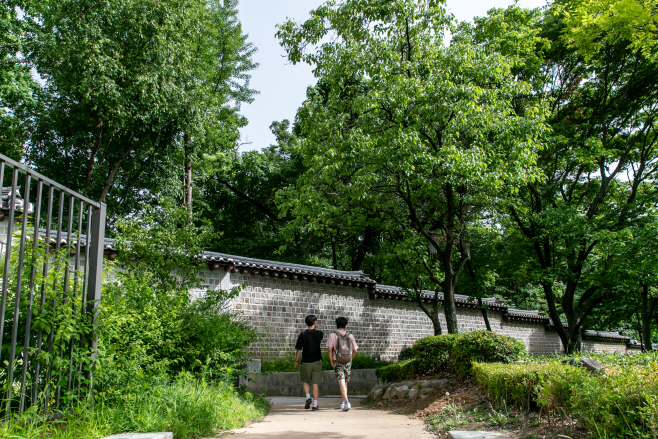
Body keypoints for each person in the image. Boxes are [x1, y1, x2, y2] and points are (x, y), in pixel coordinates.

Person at [326, 316, 358, 411]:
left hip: (338, 361)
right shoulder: (350, 336)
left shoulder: (333, 335)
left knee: (341, 382)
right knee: (345, 383)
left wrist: (332, 361)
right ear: (345, 325)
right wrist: (350, 359)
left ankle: (346, 402)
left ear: (337, 324)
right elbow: (355, 350)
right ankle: (342, 402)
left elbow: (329, 349)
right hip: (348, 362)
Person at [294, 314, 324, 410]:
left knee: (305, 380)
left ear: (306, 323)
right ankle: (315, 405)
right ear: (315, 322)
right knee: (315, 383)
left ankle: (308, 397)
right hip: (316, 362)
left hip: (306, 362)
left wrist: (297, 360)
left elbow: (298, 349)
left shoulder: (303, 334)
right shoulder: (320, 334)